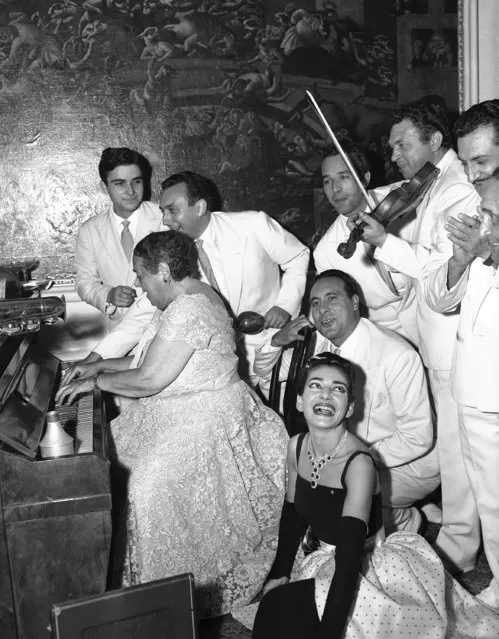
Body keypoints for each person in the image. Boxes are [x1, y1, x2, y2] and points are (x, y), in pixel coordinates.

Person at [57, 230, 289, 616]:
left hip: (210, 418)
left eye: (140, 274)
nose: (137, 284)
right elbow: (145, 361)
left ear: (163, 271)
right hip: (184, 408)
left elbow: (149, 379)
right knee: (111, 458)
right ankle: (116, 586)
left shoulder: (190, 309)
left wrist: (95, 382)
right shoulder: (186, 297)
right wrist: (94, 364)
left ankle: (160, 603)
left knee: (143, 483)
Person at [233, 353, 499, 638]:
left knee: (285, 611)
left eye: (338, 389)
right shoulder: (297, 446)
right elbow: (294, 514)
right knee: (275, 609)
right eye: (315, 386)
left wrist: (330, 632)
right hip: (326, 562)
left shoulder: (359, 463)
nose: (325, 395)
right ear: (300, 401)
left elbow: (349, 557)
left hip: (366, 570)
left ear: (349, 409)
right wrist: (280, 573)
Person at [350, 96, 480, 573]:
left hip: (451, 337)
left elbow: (443, 270)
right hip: (433, 337)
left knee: (460, 452)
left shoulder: (458, 189)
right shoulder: (430, 184)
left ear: (435, 140)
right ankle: (458, 542)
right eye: (392, 146)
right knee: (456, 449)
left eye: (403, 144)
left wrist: (386, 241)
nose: (396, 155)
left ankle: (460, 548)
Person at [77, 171, 309, 387]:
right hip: (217, 370)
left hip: (271, 354)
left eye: (172, 210)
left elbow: (298, 257)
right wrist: (95, 358)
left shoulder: (253, 224)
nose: (166, 220)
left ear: (199, 207)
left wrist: (284, 305)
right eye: (163, 211)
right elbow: (142, 313)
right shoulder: (173, 253)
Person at [255, 270, 440, 534]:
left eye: (332, 298)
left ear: (355, 303)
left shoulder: (396, 355)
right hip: (348, 454)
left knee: (336, 497)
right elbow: (267, 377)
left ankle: (397, 519)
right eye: (315, 303)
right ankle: (398, 518)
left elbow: (417, 437)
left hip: (408, 463)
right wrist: (276, 342)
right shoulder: (316, 343)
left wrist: (349, 461)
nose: (322, 309)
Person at [420, 101, 499, 610]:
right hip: (471, 386)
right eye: (467, 162)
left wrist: (491, 253)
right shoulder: (473, 213)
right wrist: (462, 260)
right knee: (490, 503)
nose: (471, 174)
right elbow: (439, 298)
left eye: (483, 162)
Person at [313, 140, 416, 343]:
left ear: (365, 177)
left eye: (344, 177)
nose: (335, 189)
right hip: (383, 337)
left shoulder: (403, 197)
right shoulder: (325, 251)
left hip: (432, 316)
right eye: (327, 181)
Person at [74, 147, 163, 328]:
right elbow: (84, 282)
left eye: (136, 182)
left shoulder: (164, 217)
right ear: (104, 186)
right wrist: (108, 295)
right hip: (121, 330)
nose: (130, 191)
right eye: (120, 183)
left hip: (165, 325)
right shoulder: (90, 230)